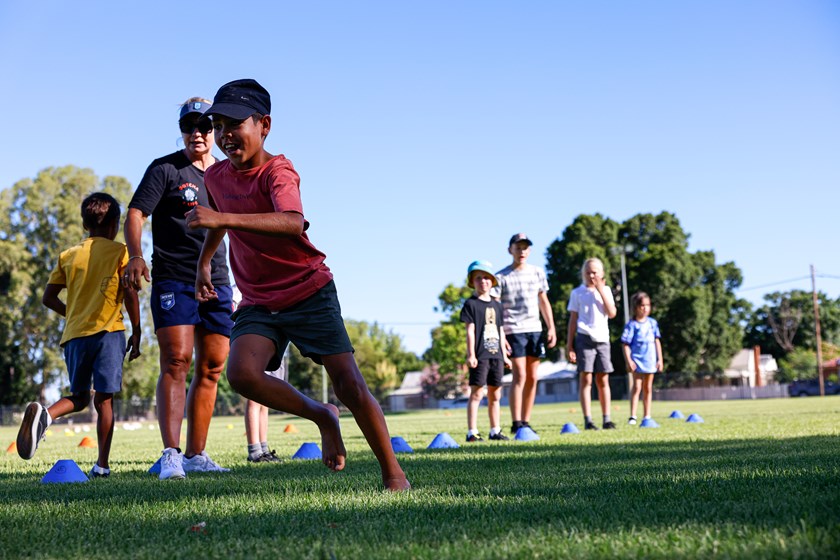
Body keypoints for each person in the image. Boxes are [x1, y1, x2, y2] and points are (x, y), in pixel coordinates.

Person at [186, 78, 410, 491]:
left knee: (349, 384)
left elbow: (292, 221)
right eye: (218, 126)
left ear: (264, 125)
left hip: (307, 289)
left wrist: (222, 219)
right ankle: (321, 415)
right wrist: (203, 264)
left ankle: (393, 473)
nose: (225, 134)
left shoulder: (279, 171)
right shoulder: (216, 176)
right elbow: (217, 217)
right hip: (258, 298)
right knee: (242, 374)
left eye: (235, 124)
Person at [124, 97, 234, 480]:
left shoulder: (226, 172)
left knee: (213, 366)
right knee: (176, 361)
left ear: (215, 129)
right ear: (181, 130)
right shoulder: (166, 169)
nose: (197, 134)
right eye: (189, 127)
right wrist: (135, 255)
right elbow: (136, 212)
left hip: (218, 280)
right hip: (174, 277)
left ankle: (196, 454)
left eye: (204, 126)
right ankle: (171, 455)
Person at [17, 193, 141, 478]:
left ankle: (47, 415)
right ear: (114, 225)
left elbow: (48, 298)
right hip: (108, 333)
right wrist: (137, 330)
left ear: (85, 225)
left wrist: (72, 314)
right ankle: (102, 466)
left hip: (74, 336)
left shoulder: (68, 255)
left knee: (80, 396)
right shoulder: (120, 251)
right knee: (104, 400)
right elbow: (130, 292)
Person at [495, 233, 556, 434]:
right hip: (513, 330)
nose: (521, 251)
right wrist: (501, 336)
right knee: (519, 375)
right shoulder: (501, 277)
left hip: (534, 329)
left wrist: (551, 327)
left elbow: (543, 301)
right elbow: (496, 309)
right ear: (510, 250)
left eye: (525, 248)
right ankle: (516, 421)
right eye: (518, 247)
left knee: (532, 377)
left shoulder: (537, 272)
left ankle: (526, 421)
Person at [460, 261, 512, 442]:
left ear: (492, 281)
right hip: (480, 355)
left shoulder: (497, 305)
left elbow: (500, 331)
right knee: (476, 393)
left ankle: (495, 430)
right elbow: (470, 331)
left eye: (487, 278)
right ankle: (472, 432)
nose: (483, 281)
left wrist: (505, 355)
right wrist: (471, 354)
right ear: (472, 282)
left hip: (496, 355)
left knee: (495, 394)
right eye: (478, 278)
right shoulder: (470, 304)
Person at [566, 257, 617, 430]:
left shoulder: (606, 291)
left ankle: (606, 419)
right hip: (584, 338)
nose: (591, 276)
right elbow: (573, 320)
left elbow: (612, 313)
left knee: (603, 379)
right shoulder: (577, 293)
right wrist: (569, 345)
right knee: (586, 378)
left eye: (594, 272)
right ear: (583, 274)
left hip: (603, 339)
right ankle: (588, 420)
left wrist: (600, 290)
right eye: (588, 272)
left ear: (602, 273)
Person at [621, 292, 663, 425]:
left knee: (648, 387)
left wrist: (660, 359)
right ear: (636, 307)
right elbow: (625, 344)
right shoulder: (632, 325)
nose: (645, 308)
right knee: (637, 386)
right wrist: (629, 360)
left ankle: (647, 416)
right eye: (642, 305)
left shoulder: (652, 323)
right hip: (637, 360)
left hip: (650, 360)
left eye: (647, 305)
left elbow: (657, 341)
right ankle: (633, 416)